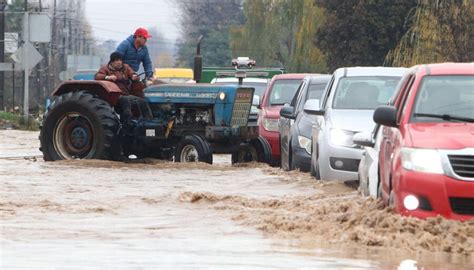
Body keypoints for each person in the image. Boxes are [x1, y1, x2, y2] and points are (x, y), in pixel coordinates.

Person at [95, 52, 152, 123]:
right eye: (116, 60)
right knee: (125, 100)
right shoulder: (105, 69)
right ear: (112, 62)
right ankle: (127, 122)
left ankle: (148, 122)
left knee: (143, 102)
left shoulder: (125, 67)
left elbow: (131, 72)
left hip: (126, 94)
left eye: (120, 60)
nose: (119, 62)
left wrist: (133, 76)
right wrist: (108, 77)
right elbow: (97, 76)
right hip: (114, 96)